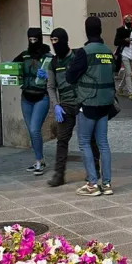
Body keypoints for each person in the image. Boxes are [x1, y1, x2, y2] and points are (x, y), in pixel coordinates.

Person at [66, 16, 116, 196]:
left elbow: (70, 77)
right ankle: (108, 184)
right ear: (100, 30)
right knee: (103, 143)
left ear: (87, 30)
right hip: (105, 104)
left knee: (84, 142)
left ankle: (92, 185)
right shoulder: (108, 51)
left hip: (88, 104)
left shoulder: (84, 52)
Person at [45, 27, 100, 188]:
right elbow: (50, 86)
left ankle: (95, 170)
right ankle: (59, 174)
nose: (54, 43)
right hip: (65, 107)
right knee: (62, 140)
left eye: (56, 40)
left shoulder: (77, 56)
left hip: (82, 103)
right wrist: (55, 105)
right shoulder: (53, 63)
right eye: (52, 41)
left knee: (90, 139)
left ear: (63, 40)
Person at [13, 27, 52, 174]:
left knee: (35, 129)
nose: (33, 42)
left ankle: (39, 162)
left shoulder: (48, 56)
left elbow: (57, 75)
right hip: (26, 98)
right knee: (31, 131)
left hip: (41, 97)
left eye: (35, 39)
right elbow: (12, 67)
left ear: (40, 39)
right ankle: (39, 160)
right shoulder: (24, 55)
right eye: (30, 39)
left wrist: (47, 75)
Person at [113, 26, 132, 100]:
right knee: (129, 73)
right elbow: (116, 42)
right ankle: (131, 92)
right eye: (127, 20)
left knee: (127, 74)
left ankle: (120, 87)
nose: (129, 21)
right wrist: (125, 40)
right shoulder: (120, 30)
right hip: (124, 54)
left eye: (130, 20)